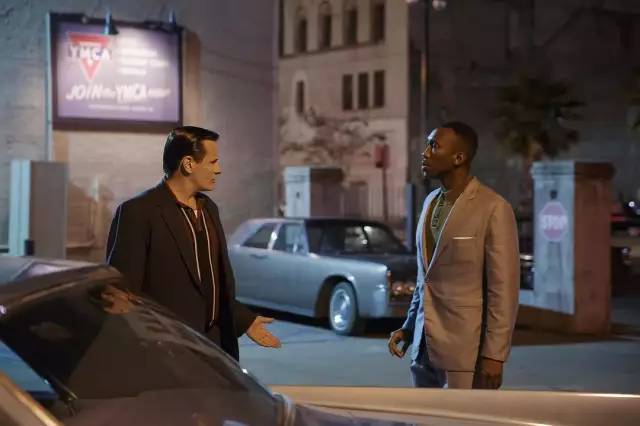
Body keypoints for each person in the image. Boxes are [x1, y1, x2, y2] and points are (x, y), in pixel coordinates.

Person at [106, 126, 281, 361]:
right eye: (213, 162)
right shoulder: (138, 212)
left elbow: (210, 284)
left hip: (216, 347)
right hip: (167, 352)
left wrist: (243, 320)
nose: (218, 169)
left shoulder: (209, 209)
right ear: (188, 164)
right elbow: (121, 291)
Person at [388, 122, 519, 389]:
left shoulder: (493, 208)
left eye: (434, 146)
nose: (425, 152)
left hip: (465, 350)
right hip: (423, 347)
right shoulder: (430, 202)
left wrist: (494, 354)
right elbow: (425, 278)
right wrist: (410, 326)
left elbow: (503, 290)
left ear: (459, 157)